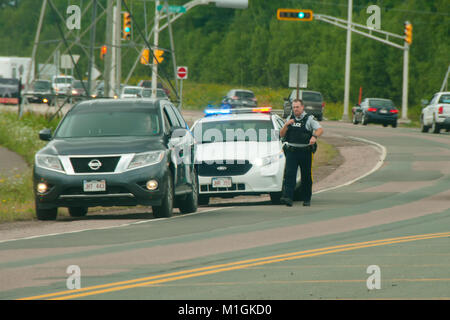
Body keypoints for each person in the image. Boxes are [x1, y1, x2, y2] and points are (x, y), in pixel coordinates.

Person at [279, 99, 323, 207]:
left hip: (305, 152)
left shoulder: (309, 119)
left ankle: (306, 198)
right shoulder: (290, 119)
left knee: (306, 176)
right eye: (294, 107)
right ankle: (288, 198)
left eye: (297, 107)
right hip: (292, 151)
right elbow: (281, 134)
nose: (295, 109)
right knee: (290, 175)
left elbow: (320, 129)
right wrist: (286, 125)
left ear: (302, 107)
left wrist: (314, 137)